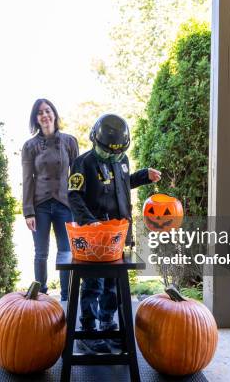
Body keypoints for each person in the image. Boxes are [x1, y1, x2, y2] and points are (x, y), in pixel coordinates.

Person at [68, 114, 161, 354]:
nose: (112, 157)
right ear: (94, 141)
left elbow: (122, 183)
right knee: (93, 284)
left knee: (111, 283)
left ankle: (108, 325)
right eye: (108, 152)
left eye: (117, 154)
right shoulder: (82, 163)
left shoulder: (122, 160)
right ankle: (87, 331)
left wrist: (142, 176)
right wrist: (90, 223)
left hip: (118, 235)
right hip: (93, 236)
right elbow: (74, 196)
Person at [22, 98, 79, 301]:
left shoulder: (70, 141)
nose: (44, 115)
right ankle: (41, 296)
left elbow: (76, 178)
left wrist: (78, 205)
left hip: (65, 205)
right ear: (36, 119)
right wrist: (28, 211)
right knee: (41, 253)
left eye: (47, 111)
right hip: (40, 206)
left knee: (66, 253)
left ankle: (66, 298)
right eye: (40, 113)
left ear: (54, 114)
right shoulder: (30, 146)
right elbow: (28, 179)